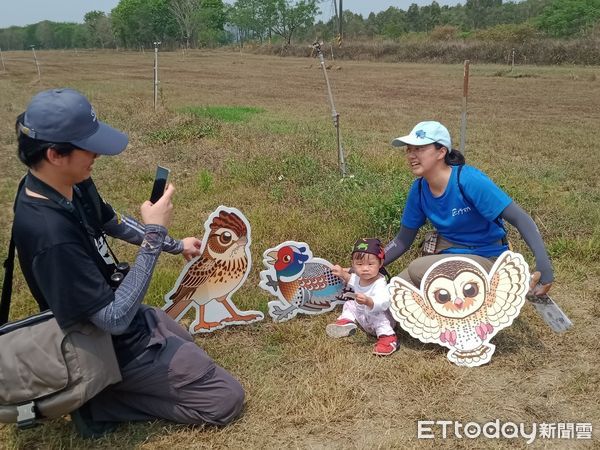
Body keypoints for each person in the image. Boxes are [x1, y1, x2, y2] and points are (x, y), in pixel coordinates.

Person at [12, 88, 244, 438]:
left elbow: (111, 221)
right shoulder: (49, 234)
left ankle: (126, 376)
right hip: (104, 341)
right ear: (55, 154)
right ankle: (99, 402)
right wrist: (153, 236)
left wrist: (173, 244)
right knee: (226, 398)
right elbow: (113, 319)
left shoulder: (67, 182)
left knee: (184, 340)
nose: (97, 155)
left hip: (126, 314)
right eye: (87, 146)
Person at [383, 120, 553, 296]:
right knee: (394, 294)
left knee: (418, 269)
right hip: (449, 257)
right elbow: (402, 240)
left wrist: (544, 267)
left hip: (488, 259)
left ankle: (497, 289)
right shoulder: (419, 189)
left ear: (441, 152)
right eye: (409, 149)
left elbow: (520, 218)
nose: (411, 155)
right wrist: (369, 263)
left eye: (419, 149)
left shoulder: (468, 180)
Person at [327, 238, 398, 356]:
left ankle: (388, 338)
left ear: (380, 263)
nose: (365, 268)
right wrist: (341, 273)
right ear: (353, 265)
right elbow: (350, 279)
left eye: (370, 264)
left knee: (379, 316)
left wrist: (369, 301)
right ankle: (346, 322)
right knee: (349, 304)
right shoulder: (359, 278)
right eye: (359, 264)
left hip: (378, 318)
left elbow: (384, 302)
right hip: (363, 316)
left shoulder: (380, 282)